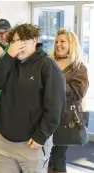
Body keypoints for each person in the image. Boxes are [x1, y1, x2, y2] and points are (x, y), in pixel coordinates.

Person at [0, 24, 66, 173]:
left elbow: (56, 106)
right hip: (4, 140)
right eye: (14, 42)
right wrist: (8, 56)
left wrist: (41, 136)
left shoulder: (47, 66)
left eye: (22, 40)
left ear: (34, 40)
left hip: (31, 143)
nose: (18, 46)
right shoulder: (9, 62)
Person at [48, 29, 89, 173]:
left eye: (62, 41)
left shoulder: (79, 67)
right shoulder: (48, 63)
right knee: (45, 157)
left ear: (71, 44)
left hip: (65, 120)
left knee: (58, 156)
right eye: (56, 41)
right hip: (45, 118)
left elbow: (77, 92)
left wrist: (53, 87)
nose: (58, 44)